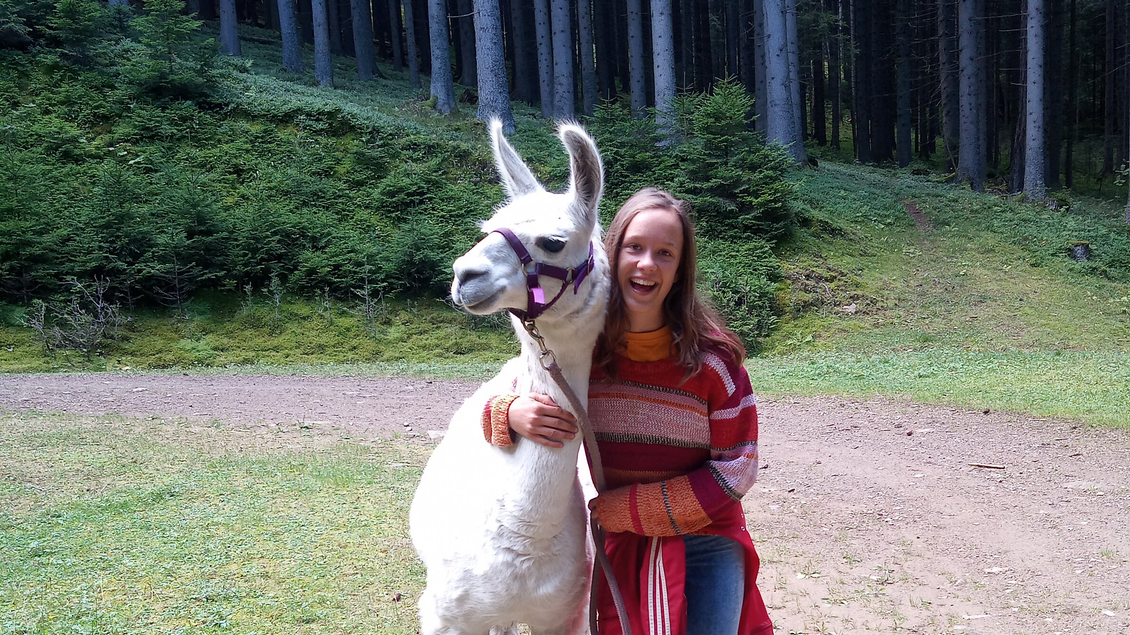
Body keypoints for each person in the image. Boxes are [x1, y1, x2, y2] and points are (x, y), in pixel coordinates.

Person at [481, 188, 772, 635]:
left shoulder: (715, 362)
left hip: (706, 543)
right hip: (623, 545)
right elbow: (503, 402)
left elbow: (737, 469)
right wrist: (510, 413)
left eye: (665, 253)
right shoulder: (582, 352)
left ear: (680, 270)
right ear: (612, 253)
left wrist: (628, 508)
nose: (647, 264)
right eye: (634, 247)